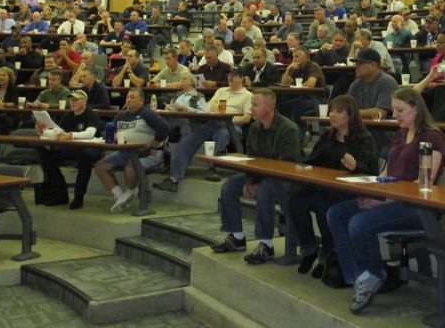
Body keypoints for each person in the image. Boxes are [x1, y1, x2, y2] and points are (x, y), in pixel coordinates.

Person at [327, 87, 445, 313]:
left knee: (359, 224)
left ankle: (373, 275)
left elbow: (424, 183)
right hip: (390, 197)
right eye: (394, 110)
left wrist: (384, 200)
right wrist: (373, 191)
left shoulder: (431, 137)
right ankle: (359, 276)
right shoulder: (401, 134)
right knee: (337, 213)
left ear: (416, 108)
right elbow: (386, 172)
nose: (395, 115)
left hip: (416, 206)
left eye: (400, 110)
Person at [290, 95, 379, 277]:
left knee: (325, 207)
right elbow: (314, 160)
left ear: (350, 115)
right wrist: (304, 168)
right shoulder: (327, 136)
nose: (332, 114)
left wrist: (355, 166)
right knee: (296, 199)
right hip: (324, 185)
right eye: (331, 110)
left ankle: (328, 253)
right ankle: (308, 248)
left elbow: (371, 169)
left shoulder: (363, 138)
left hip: (347, 189)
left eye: (338, 111)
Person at [211, 88, 301, 264]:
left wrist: (258, 182)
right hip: (261, 175)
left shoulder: (288, 129)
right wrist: (250, 180)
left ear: (269, 107)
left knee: (264, 191)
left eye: (254, 104)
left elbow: (287, 166)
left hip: (286, 179)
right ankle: (237, 237)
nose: (250, 108)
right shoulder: (254, 128)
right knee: (229, 186)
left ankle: (266, 244)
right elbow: (252, 159)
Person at [154, 68, 251, 191]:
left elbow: (246, 118)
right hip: (213, 122)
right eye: (229, 75)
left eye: (234, 76)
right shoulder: (221, 91)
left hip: (232, 126)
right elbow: (208, 107)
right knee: (187, 141)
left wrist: (227, 120)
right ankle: (173, 179)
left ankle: (213, 169)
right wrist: (193, 109)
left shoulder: (248, 95)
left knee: (222, 134)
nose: (230, 78)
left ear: (242, 78)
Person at [94, 88, 169, 213]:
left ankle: (130, 191)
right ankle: (120, 196)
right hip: (124, 152)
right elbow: (111, 130)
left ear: (141, 101)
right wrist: (112, 136)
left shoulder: (147, 113)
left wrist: (155, 146)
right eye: (127, 97)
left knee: (131, 166)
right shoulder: (121, 115)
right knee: (100, 167)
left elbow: (164, 127)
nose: (128, 100)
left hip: (147, 154)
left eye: (132, 97)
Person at [35, 89, 104, 209]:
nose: (72, 102)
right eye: (71, 100)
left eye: (76, 100)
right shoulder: (68, 115)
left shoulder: (91, 114)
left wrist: (71, 135)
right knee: (45, 154)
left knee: (86, 157)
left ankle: (78, 197)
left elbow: (90, 133)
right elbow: (58, 132)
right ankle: (60, 194)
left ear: (84, 101)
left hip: (91, 147)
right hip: (73, 147)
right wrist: (42, 131)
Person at [347, 48, 399, 120]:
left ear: (373, 65)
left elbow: (380, 114)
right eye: (356, 64)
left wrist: (351, 113)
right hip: (361, 125)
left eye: (360, 64)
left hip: (382, 126)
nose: (356, 67)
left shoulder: (387, 82)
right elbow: (347, 106)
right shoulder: (356, 84)